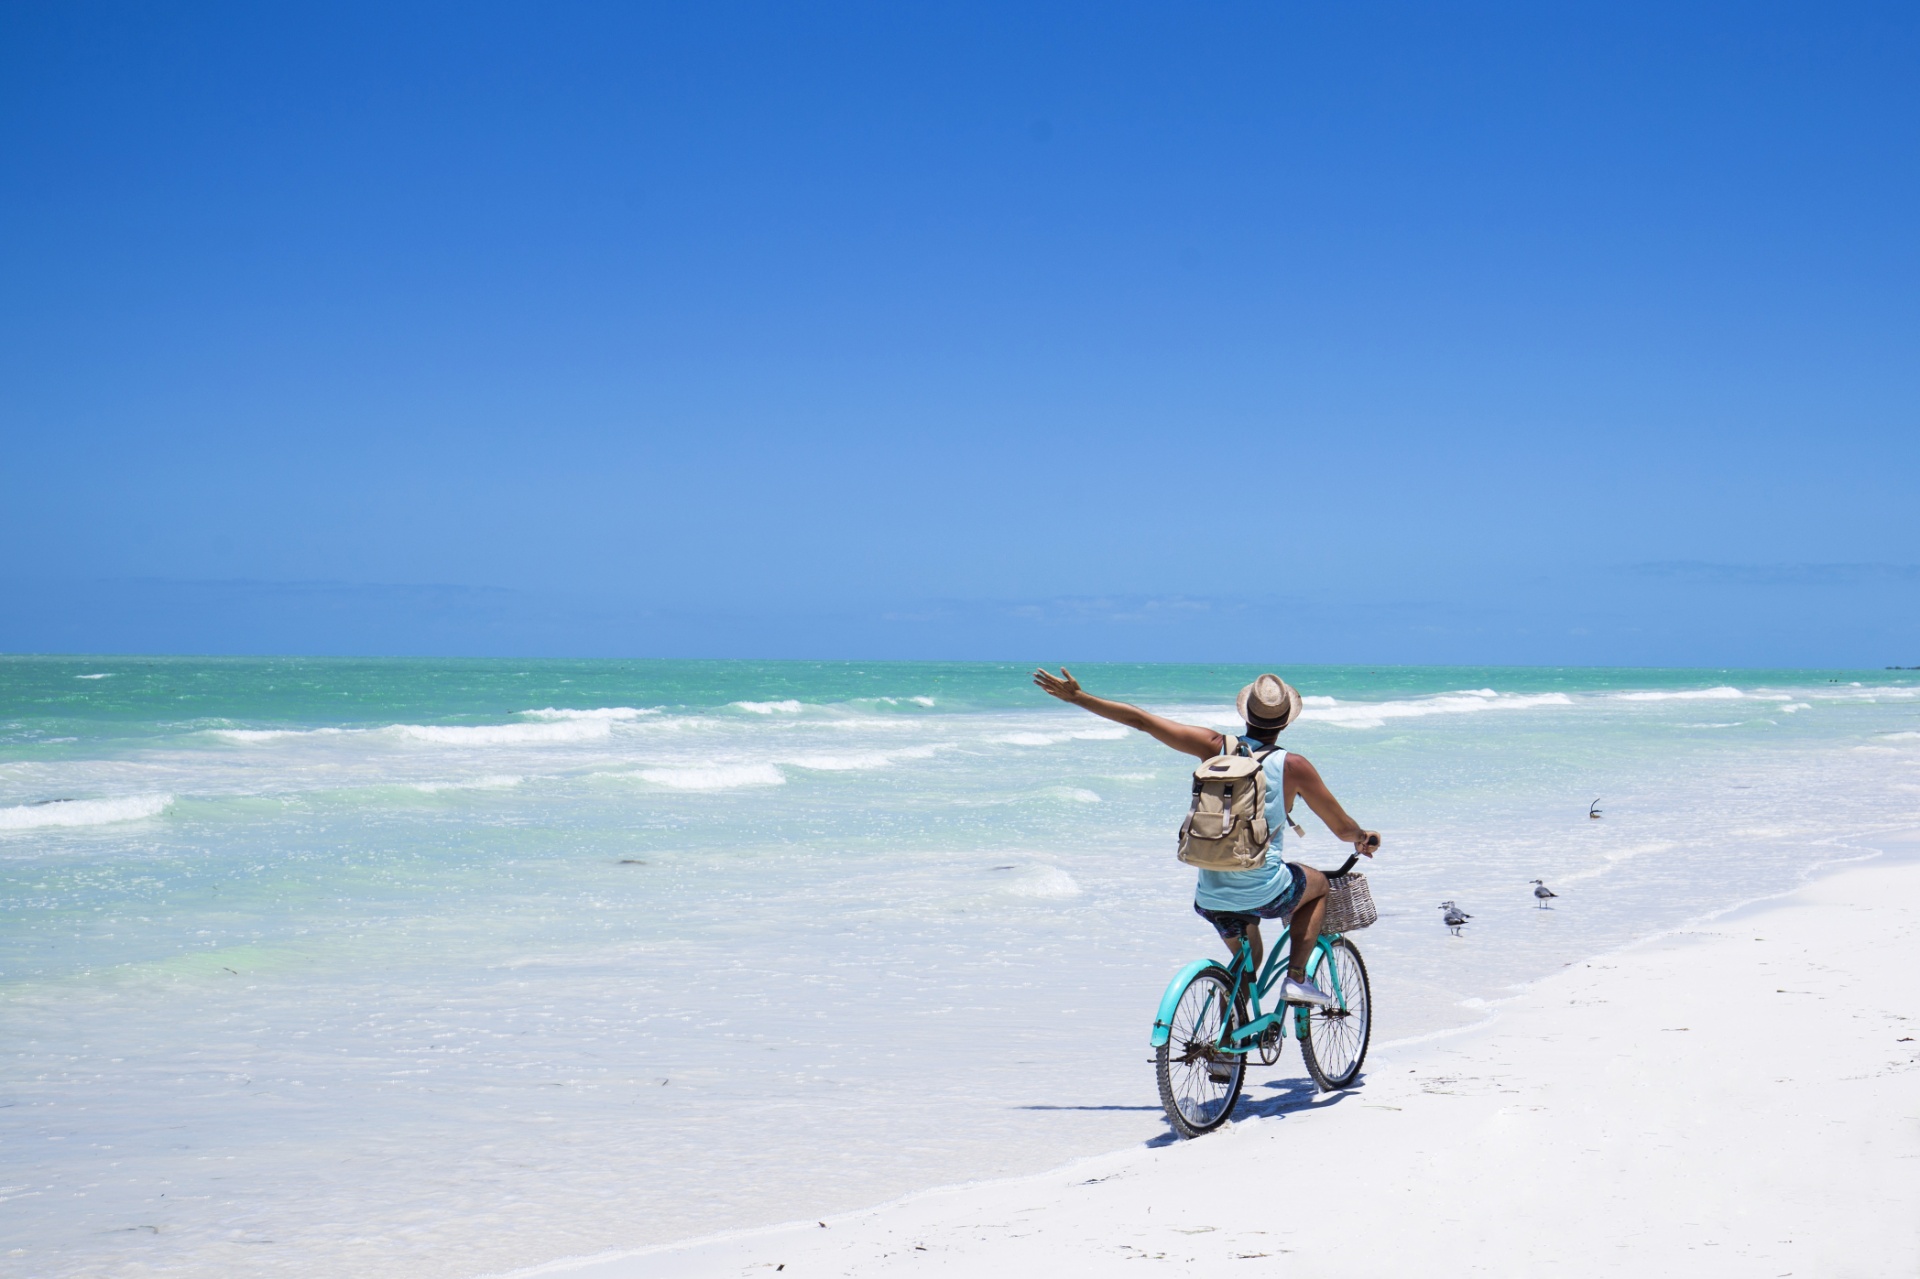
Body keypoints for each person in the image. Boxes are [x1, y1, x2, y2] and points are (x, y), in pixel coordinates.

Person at [1032, 668, 1379, 1006]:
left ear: (1246, 714)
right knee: (1317, 884)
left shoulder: (1215, 746)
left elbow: (1143, 721)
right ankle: (1298, 978)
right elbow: (1342, 829)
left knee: (1249, 958)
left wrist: (1078, 697)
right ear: (1287, 720)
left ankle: (1227, 1047)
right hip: (1265, 889)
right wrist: (1363, 837)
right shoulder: (1293, 766)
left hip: (1211, 894)